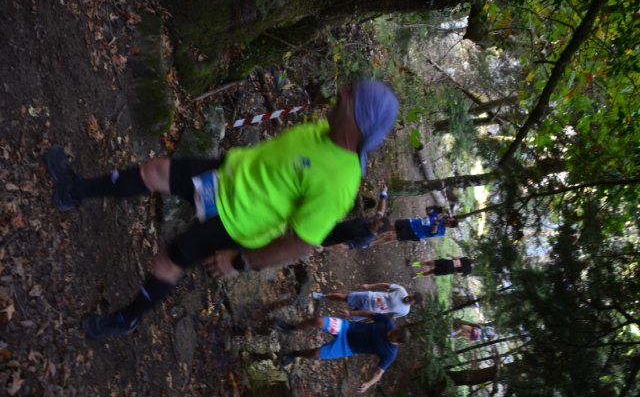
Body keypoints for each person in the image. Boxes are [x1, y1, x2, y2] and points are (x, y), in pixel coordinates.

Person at [45, 80, 399, 339]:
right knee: (154, 172)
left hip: (235, 222)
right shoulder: (326, 130)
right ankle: (73, 190)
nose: (342, 92)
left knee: (167, 261)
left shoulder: (339, 183)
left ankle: (127, 319)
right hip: (225, 176)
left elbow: (302, 243)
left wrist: (241, 261)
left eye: (352, 97)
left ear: (359, 124)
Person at [275, 313, 409, 394]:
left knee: (316, 354)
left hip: (346, 347)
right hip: (347, 327)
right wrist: (351, 313)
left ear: (398, 342)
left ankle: (294, 354)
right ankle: (291, 328)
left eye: (392, 335)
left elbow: (379, 373)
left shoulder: (390, 353)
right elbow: (370, 314)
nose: (389, 332)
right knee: (319, 321)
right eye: (393, 330)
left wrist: (368, 384)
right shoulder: (388, 323)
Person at [317, 184, 390, 252]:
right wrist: (383, 194)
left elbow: (343, 246)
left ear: (378, 232)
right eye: (375, 220)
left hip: (331, 239)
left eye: (374, 224)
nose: (372, 221)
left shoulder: (364, 239)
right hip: (334, 227)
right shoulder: (376, 220)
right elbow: (380, 211)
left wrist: (325, 249)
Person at [312, 282, 422, 320]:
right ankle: (323, 296)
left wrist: (373, 318)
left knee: (348, 316)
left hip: (370, 312)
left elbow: (390, 316)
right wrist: (369, 286)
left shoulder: (404, 311)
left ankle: (325, 320)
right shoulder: (401, 290)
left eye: (411, 300)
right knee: (345, 297)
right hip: (368, 297)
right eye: (410, 296)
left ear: (413, 304)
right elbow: (385, 285)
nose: (408, 298)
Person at [371, 205, 458, 246]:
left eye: (450, 222)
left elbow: (433, 231)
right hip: (411, 222)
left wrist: (436, 222)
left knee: (391, 237)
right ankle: (372, 233)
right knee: (389, 227)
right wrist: (435, 207)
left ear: (450, 226)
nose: (448, 220)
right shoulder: (439, 216)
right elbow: (427, 210)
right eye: (450, 219)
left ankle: (370, 244)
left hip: (414, 233)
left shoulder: (442, 231)